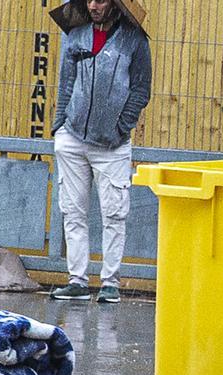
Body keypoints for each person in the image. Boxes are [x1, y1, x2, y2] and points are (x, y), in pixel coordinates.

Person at [51, 0, 152, 303]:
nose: (93, 5)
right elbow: (65, 82)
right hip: (72, 139)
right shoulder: (76, 34)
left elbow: (141, 88)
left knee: (114, 214)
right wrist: (59, 125)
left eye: (102, 0)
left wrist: (121, 127)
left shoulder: (134, 40)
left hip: (112, 145)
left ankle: (111, 283)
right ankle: (77, 281)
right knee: (73, 210)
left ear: (117, 4)